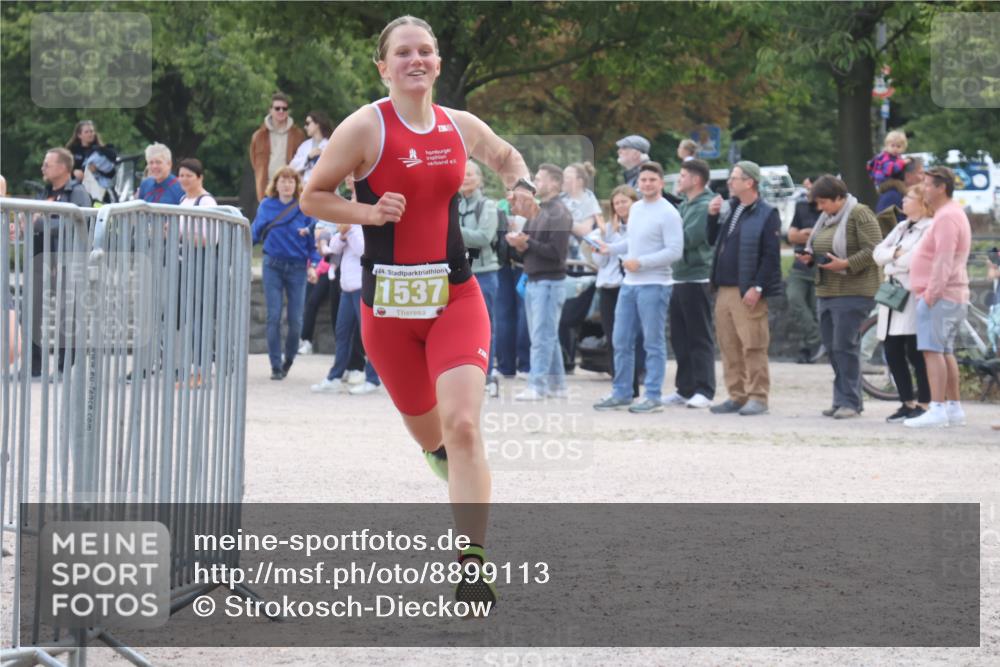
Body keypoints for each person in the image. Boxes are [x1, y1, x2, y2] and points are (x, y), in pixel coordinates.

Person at [300, 15, 535, 610]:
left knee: (463, 426)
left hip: (456, 298)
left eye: (426, 51)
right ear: (384, 66)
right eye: (403, 52)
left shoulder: (460, 126)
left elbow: (508, 157)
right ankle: (442, 461)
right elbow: (313, 195)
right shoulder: (364, 127)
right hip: (388, 312)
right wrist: (370, 214)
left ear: (436, 62)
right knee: (434, 438)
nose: (417, 60)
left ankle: (472, 564)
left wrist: (522, 185)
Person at [593, 161, 683, 413]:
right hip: (629, 286)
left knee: (652, 343)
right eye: (643, 180)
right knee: (620, 340)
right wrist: (610, 249)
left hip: (655, 284)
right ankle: (622, 392)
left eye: (652, 180)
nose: (647, 184)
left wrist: (641, 263)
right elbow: (631, 241)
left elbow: (675, 251)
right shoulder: (638, 209)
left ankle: (653, 396)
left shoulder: (669, 213)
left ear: (661, 183)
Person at [794, 175, 882, 419]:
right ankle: (841, 397)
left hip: (853, 291)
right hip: (828, 289)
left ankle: (851, 402)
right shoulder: (828, 218)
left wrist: (847, 263)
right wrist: (811, 257)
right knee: (832, 347)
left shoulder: (860, 214)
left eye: (824, 202)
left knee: (845, 346)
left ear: (839, 197)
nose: (820, 208)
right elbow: (823, 246)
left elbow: (875, 249)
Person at [706, 161, 782, 416]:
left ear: (749, 182)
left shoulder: (766, 213)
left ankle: (758, 396)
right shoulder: (733, 209)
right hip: (725, 290)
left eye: (734, 178)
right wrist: (712, 217)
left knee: (753, 344)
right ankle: (736, 395)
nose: (729, 182)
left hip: (747, 290)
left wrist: (757, 286)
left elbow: (771, 257)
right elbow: (712, 241)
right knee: (729, 345)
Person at [903, 166, 973, 429]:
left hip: (939, 296)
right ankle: (953, 407)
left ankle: (937, 407)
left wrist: (930, 295)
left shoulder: (946, 217)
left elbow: (943, 258)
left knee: (933, 352)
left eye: (929, 184)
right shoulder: (953, 213)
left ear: (941, 187)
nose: (925, 189)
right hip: (951, 294)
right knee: (945, 351)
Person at [507, 164, 573, 401]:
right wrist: (520, 243)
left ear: (555, 184)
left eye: (541, 179)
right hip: (535, 280)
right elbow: (533, 246)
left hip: (549, 282)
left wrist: (527, 243)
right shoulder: (539, 211)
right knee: (547, 335)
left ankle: (537, 385)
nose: (536, 183)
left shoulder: (559, 213)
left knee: (542, 336)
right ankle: (557, 386)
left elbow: (557, 253)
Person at [872, 184, 933, 423]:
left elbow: (914, 260)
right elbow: (878, 253)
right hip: (892, 293)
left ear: (922, 202)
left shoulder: (928, 228)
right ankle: (905, 401)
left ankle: (924, 402)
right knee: (892, 349)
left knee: (915, 350)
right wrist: (894, 255)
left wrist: (893, 257)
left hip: (911, 293)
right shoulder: (900, 227)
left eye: (909, 198)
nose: (903, 201)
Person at [29, 148, 93, 377]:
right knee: (31, 312)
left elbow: (77, 223)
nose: (43, 168)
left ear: (63, 168)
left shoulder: (77, 192)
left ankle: (66, 367)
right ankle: (34, 366)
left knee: (68, 315)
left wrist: (40, 224)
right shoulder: (45, 191)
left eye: (48, 164)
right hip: (40, 260)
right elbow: (35, 220)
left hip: (66, 260)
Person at [252, 166, 317, 380]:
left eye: (291, 181)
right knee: (273, 316)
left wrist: (313, 265)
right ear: (276, 184)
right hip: (273, 264)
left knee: (296, 320)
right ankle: (275, 364)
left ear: (296, 185)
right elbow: (255, 232)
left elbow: (313, 240)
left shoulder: (304, 206)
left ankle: (289, 357)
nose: (287, 184)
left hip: (297, 266)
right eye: (283, 180)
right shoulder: (267, 205)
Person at [663, 159, 716, 409]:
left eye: (683, 175)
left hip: (697, 277)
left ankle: (704, 389)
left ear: (695, 180)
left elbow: (689, 238)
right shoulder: (685, 205)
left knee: (699, 336)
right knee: (680, 337)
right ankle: (684, 388)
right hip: (679, 276)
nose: (679, 180)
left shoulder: (704, 205)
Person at [310, 223, 382, 394]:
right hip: (347, 288)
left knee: (367, 335)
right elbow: (333, 249)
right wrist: (342, 236)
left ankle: (372, 379)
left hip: (362, 287)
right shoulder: (347, 224)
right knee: (342, 333)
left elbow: (364, 250)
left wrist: (348, 233)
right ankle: (334, 377)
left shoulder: (368, 225)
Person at [586, 185, 638, 390]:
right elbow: (600, 262)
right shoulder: (607, 228)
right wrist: (599, 248)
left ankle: (632, 381)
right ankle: (618, 380)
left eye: (624, 201)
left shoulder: (637, 227)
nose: (621, 206)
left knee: (628, 336)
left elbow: (631, 254)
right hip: (607, 285)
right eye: (617, 203)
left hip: (627, 284)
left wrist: (613, 247)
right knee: (612, 335)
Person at [457, 161, 501, 396]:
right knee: (459, 328)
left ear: (480, 179)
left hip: (484, 274)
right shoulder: (453, 204)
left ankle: (487, 375)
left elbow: (484, 237)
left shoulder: (488, 206)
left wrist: (451, 229)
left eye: (471, 174)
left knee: (485, 327)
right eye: (462, 174)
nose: (466, 178)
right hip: (459, 274)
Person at [558, 162, 602, 371]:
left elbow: (585, 229)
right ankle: (564, 361)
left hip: (582, 266)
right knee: (561, 315)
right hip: (561, 263)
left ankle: (569, 360)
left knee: (571, 316)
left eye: (567, 176)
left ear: (579, 181)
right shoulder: (561, 200)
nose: (563, 181)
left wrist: (562, 220)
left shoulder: (588, 200)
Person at [786, 177, 824, 364]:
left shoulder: (828, 210)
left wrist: (809, 235)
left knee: (814, 308)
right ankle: (818, 338)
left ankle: (808, 348)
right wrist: (806, 235)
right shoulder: (801, 207)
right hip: (800, 265)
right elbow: (791, 235)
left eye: (811, 188)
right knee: (795, 299)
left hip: (820, 267)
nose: (807, 192)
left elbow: (826, 240)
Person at [250, 92, 307, 201]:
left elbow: (302, 161)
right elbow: (254, 161)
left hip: (290, 189)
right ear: (270, 110)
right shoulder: (258, 136)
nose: (281, 111)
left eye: (284, 109)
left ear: (288, 111)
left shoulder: (297, 134)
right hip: (267, 188)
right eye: (277, 108)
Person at [65, 120, 117, 202]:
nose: (90, 134)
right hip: (78, 188)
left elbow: (112, 172)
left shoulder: (102, 150)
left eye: (92, 131)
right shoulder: (71, 150)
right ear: (79, 135)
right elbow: (63, 169)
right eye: (86, 132)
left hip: (99, 189)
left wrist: (96, 169)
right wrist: (74, 173)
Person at [875, 156, 924, 224]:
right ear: (908, 176)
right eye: (921, 173)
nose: (924, 177)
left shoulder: (896, 194)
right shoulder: (892, 196)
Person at [290, 110, 333, 185]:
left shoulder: (331, 144)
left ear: (317, 124)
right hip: (305, 187)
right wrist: (308, 157)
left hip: (326, 187)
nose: (305, 127)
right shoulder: (304, 146)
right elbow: (292, 167)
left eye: (308, 123)